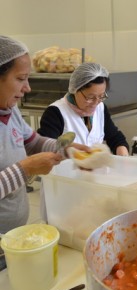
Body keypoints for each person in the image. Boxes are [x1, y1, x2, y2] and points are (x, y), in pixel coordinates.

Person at [0, 35, 89, 234]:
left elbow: (33, 142)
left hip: (12, 233)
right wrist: (26, 168)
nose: (28, 88)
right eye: (21, 79)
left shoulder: (10, 110)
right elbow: (25, 165)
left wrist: (65, 149)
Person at [37, 62, 129, 156]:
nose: (96, 102)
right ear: (75, 90)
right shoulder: (55, 112)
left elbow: (115, 137)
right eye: (90, 97)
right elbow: (45, 150)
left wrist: (122, 154)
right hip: (65, 169)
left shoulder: (100, 108)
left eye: (101, 96)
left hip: (94, 169)